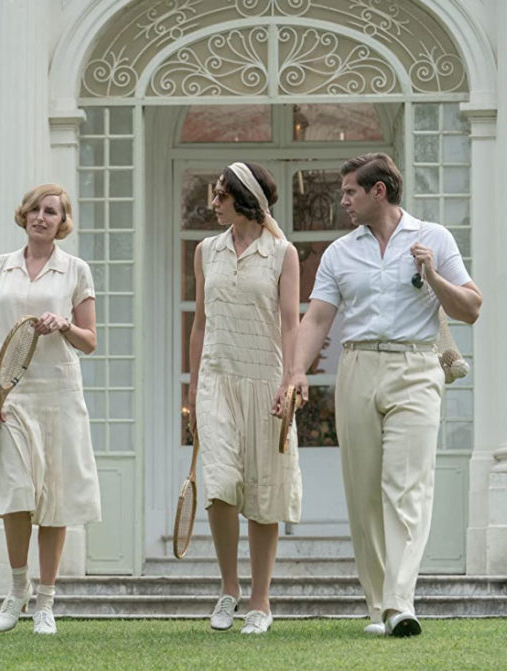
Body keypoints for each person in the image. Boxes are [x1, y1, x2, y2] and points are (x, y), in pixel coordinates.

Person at [291, 153, 482, 637]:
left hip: (416, 367)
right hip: (356, 367)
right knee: (364, 493)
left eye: (350, 191)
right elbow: (316, 320)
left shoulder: (433, 238)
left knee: (407, 486)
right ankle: (380, 606)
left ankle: (400, 601)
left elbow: (472, 308)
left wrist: (434, 276)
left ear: (379, 192)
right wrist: (295, 373)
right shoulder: (339, 252)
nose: (343, 200)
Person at [0, 183, 101, 635]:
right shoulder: (0, 268)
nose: (41, 217)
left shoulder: (75, 270)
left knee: (55, 497)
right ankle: (17, 589)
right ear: (24, 214)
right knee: (15, 494)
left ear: (61, 221)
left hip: (60, 395)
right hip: (13, 396)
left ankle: (46, 601)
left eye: (51, 212)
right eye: (34, 209)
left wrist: (65, 324)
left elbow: (90, 340)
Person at [188, 162, 302, 635]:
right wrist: (193, 392)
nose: (213, 203)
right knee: (218, 484)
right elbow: (199, 324)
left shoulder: (283, 253)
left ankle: (260, 599)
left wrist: (291, 383)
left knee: (263, 490)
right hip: (217, 379)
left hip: (266, 382)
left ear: (243, 199)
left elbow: (292, 323)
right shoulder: (205, 251)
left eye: (220, 196)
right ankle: (228, 590)